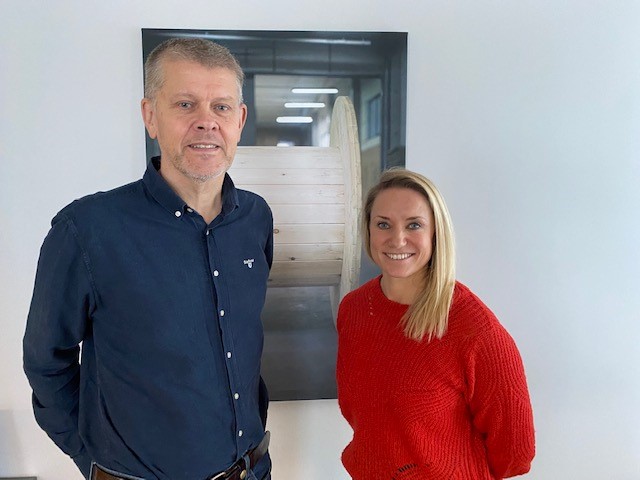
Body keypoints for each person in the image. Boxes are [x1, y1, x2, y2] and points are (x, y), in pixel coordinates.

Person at [23, 38, 273, 480]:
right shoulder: (86, 230)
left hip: (253, 470)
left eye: (220, 107)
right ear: (150, 116)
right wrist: (95, 462)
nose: (206, 122)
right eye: (185, 104)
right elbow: (46, 363)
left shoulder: (255, 218)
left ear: (239, 120)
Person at [336, 168, 535, 479]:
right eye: (383, 224)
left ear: (435, 233)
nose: (397, 239)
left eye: (414, 225)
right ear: (369, 230)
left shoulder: (474, 329)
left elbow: (516, 453)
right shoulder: (354, 310)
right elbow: (367, 417)